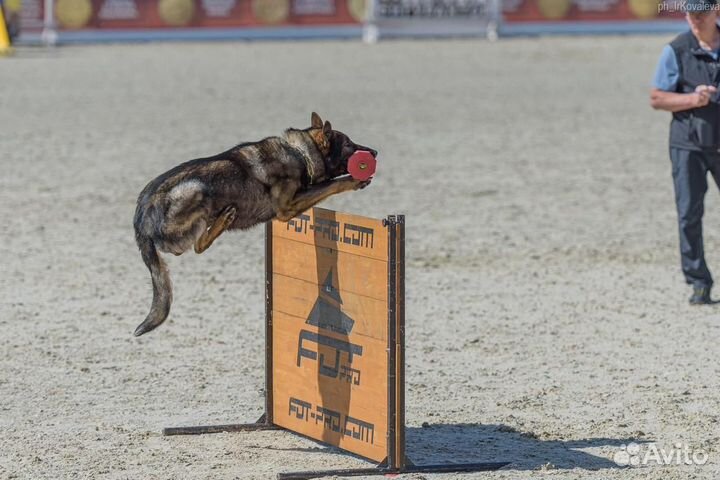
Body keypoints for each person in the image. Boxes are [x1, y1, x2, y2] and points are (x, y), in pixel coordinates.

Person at [651, 0, 720, 304]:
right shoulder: (676, 49)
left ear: (716, 11)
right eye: (690, 14)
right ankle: (698, 282)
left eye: (701, 14)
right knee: (688, 213)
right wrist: (692, 100)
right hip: (688, 143)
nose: (694, 20)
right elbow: (656, 97)